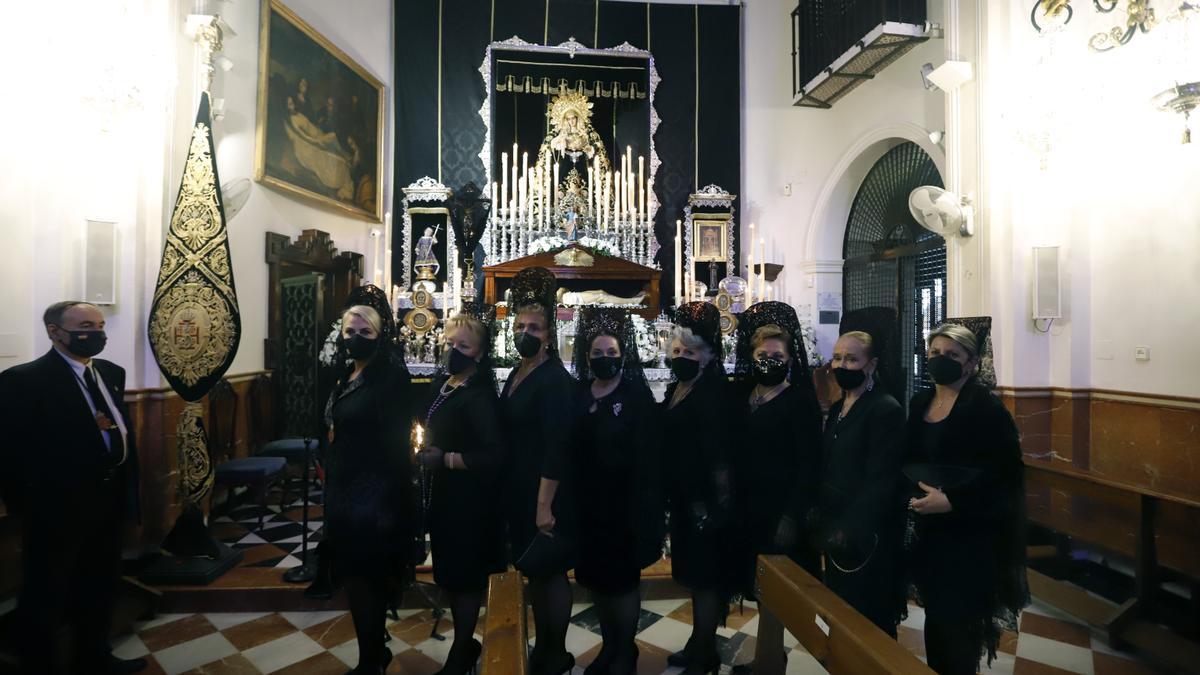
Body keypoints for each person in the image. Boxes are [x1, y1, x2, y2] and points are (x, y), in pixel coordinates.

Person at [0, 301, 145, 675]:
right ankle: (42, 666)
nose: (95, 333)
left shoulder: (110, 372)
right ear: (54, 331)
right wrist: (29, 503)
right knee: (48, 590)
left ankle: (94, 656)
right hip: (57, 508)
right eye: (84, 325)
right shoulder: (24, 380)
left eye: (99, 325)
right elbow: (11, 450)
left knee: (100, 583)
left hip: (107, 498)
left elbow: (116, 430)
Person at [905, 323, 1028, 675]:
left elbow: (1006, 478)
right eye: (934, 354)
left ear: (972, 363)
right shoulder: (920, 401)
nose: (941, 360)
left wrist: (954, 500)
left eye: (952, 355)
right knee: (936, 622)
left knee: (959, 632)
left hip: (971, 537)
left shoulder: (986, 411)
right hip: (930, 534)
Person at [726, 302, 823, 673]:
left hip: (779, 507)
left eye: (776, 355)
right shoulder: (744, 394)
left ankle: (770, 660)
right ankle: (767, 656)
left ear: (788, 357)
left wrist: (792, 515)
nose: (768, 360)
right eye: (762, 354)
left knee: (775, 588)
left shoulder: (799, 401)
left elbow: (808, 464)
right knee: (758, 584)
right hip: (747, 504)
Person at [322, 303, 416, 675]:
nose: (356, 338)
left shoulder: (390, 377)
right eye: (350, 332)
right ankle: (373, 654)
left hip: (374, 496)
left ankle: (370, 660)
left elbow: (395, 443)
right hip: (345, 491)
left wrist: (386, 500)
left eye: (365, 332)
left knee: (367, 579)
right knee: (355, 578)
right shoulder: (346, 373)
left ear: (380, 336)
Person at [569, 309, 663, 675]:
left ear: (624, 355)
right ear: (587, 355)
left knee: (622, 584)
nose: (604, 359)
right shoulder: (578, 393)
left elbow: (648, 458)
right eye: (597, 353)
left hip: (624, 508)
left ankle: (625, 652)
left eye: (611, 353)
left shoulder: (636, 396)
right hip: (587, 505)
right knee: (597, 582)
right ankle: (609, 647)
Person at [418, 307, 506, 675]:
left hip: (468, 501)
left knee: (465, 575)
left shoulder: (480, 396)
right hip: (446, 496)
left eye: (464, 346)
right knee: (451, 571)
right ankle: (463, 643)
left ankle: (462, 649)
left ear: (480, 354)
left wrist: (447, 459)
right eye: (450, 342)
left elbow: (494, 455)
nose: (453, 350)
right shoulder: (450, 384)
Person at [500, 267, 577, 675]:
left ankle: (555, 652)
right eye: (520, 325)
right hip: (519, 486)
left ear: (549, 334)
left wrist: (544, 504)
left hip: (543, 491)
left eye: (534, 327)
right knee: (534, 570)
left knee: (550, 573)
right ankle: (545, 648)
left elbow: (557, 446)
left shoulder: (553, 380)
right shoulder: (517, 371)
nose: (525, 332)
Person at [662, 302, 733, 675]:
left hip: (704, 502)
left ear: (706, 357)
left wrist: (714, 507)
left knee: (706, 578)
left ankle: (705, 652)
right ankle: (696, 641)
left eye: (689, 352)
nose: (681, 357)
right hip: (684, 496)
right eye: (676, 351)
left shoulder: (711, 392)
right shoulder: (677, 386)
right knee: (692, 574)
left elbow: (718, 454)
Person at [819, 331, 906, 636]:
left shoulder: (884, 409)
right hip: (835, 525)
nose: (842, 365)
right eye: (838, 357)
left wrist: (850, 527)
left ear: (871, 364)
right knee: (842, 615)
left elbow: (881, 479)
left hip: (865, 533)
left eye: (852, 359)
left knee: (869, 620)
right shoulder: (840, 406)